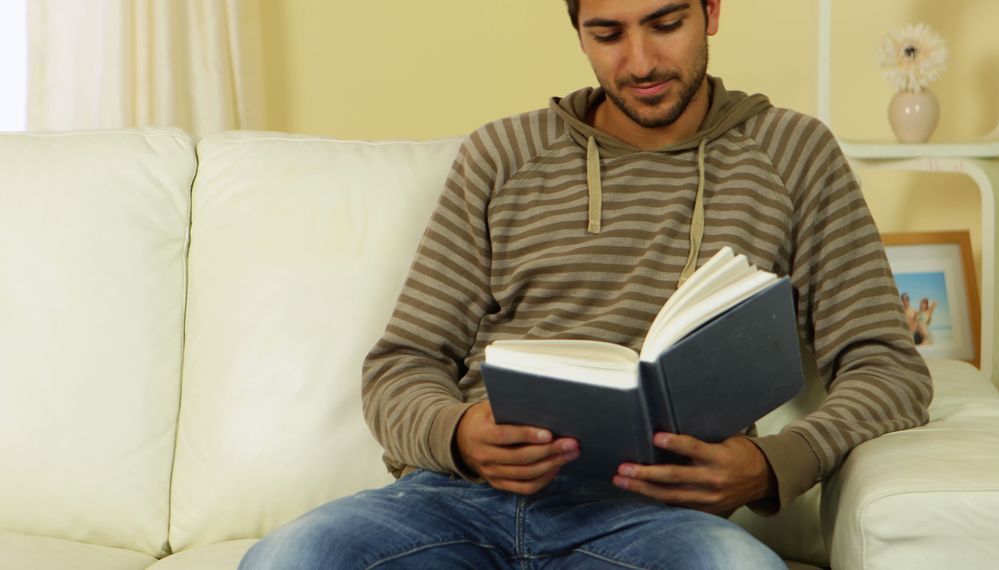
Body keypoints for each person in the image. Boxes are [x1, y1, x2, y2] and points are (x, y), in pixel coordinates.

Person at [240, 0, 933, 567]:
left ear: (712, 12)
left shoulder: (794, 155)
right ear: (577, 31)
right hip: (459, 501)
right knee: (287, 558)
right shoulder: (502, 155)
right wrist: (459, 433)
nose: (640, 63)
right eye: (607, 34)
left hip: (654, 521)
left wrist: (772, 461)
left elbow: (888, 369)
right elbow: (400, 367)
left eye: (666, 25)